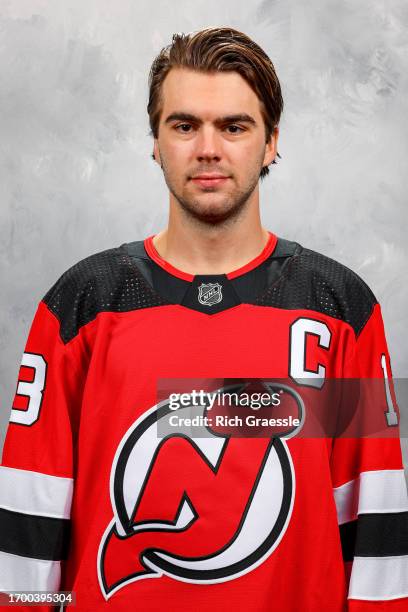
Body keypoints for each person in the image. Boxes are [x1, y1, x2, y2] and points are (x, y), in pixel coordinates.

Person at [0, 26, 407, 612]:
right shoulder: (82, 306)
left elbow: (377, 535)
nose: (208, 148)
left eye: (234, 126)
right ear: (155, 142)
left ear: (270, 143)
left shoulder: (339, 308)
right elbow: (29, 527)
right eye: (184, 125)